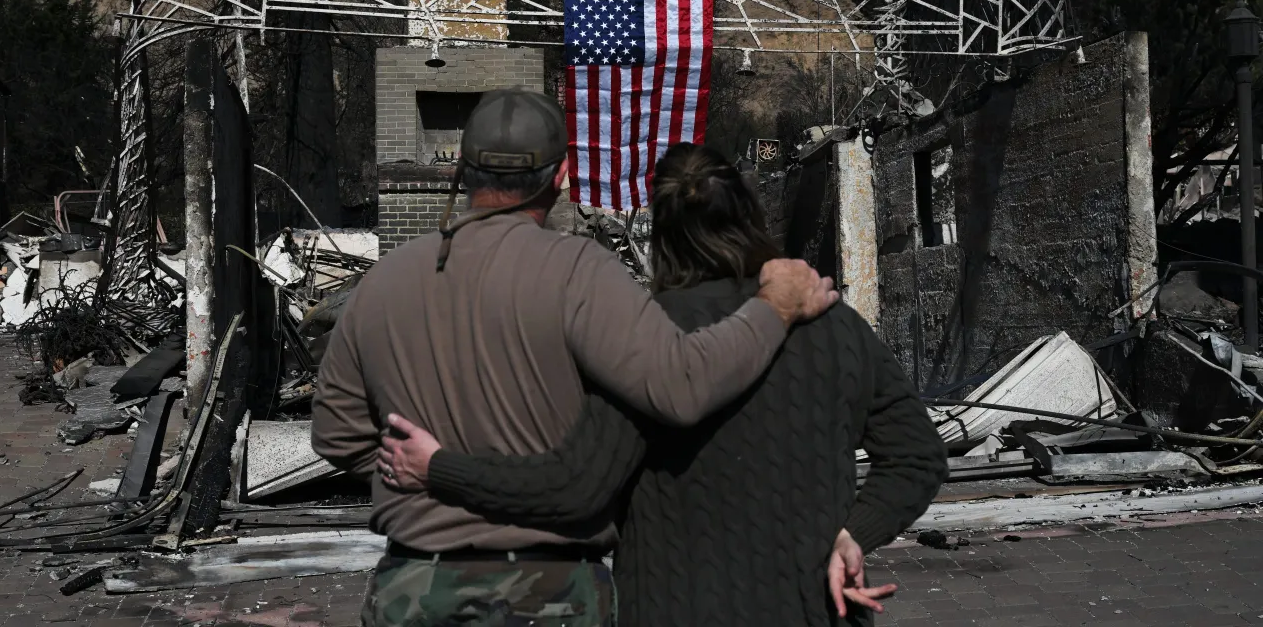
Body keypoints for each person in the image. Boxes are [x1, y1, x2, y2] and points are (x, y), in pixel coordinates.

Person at [312, 90, 839, 627]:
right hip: (551, 592)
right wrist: (774, 307)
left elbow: (336, 436)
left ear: (463, 172)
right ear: (560, 176)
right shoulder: (578, 271)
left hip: (413, 590)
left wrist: (422, 473)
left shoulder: (381, 284)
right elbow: (683, 385)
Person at [379, 142, 949, 627]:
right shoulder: (834, 324)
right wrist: (855, 532)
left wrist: (437, 466)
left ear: (663, 232)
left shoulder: (647, 338)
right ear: (749, 214)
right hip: (819, 610)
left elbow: (574, 489)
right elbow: (918, 457)